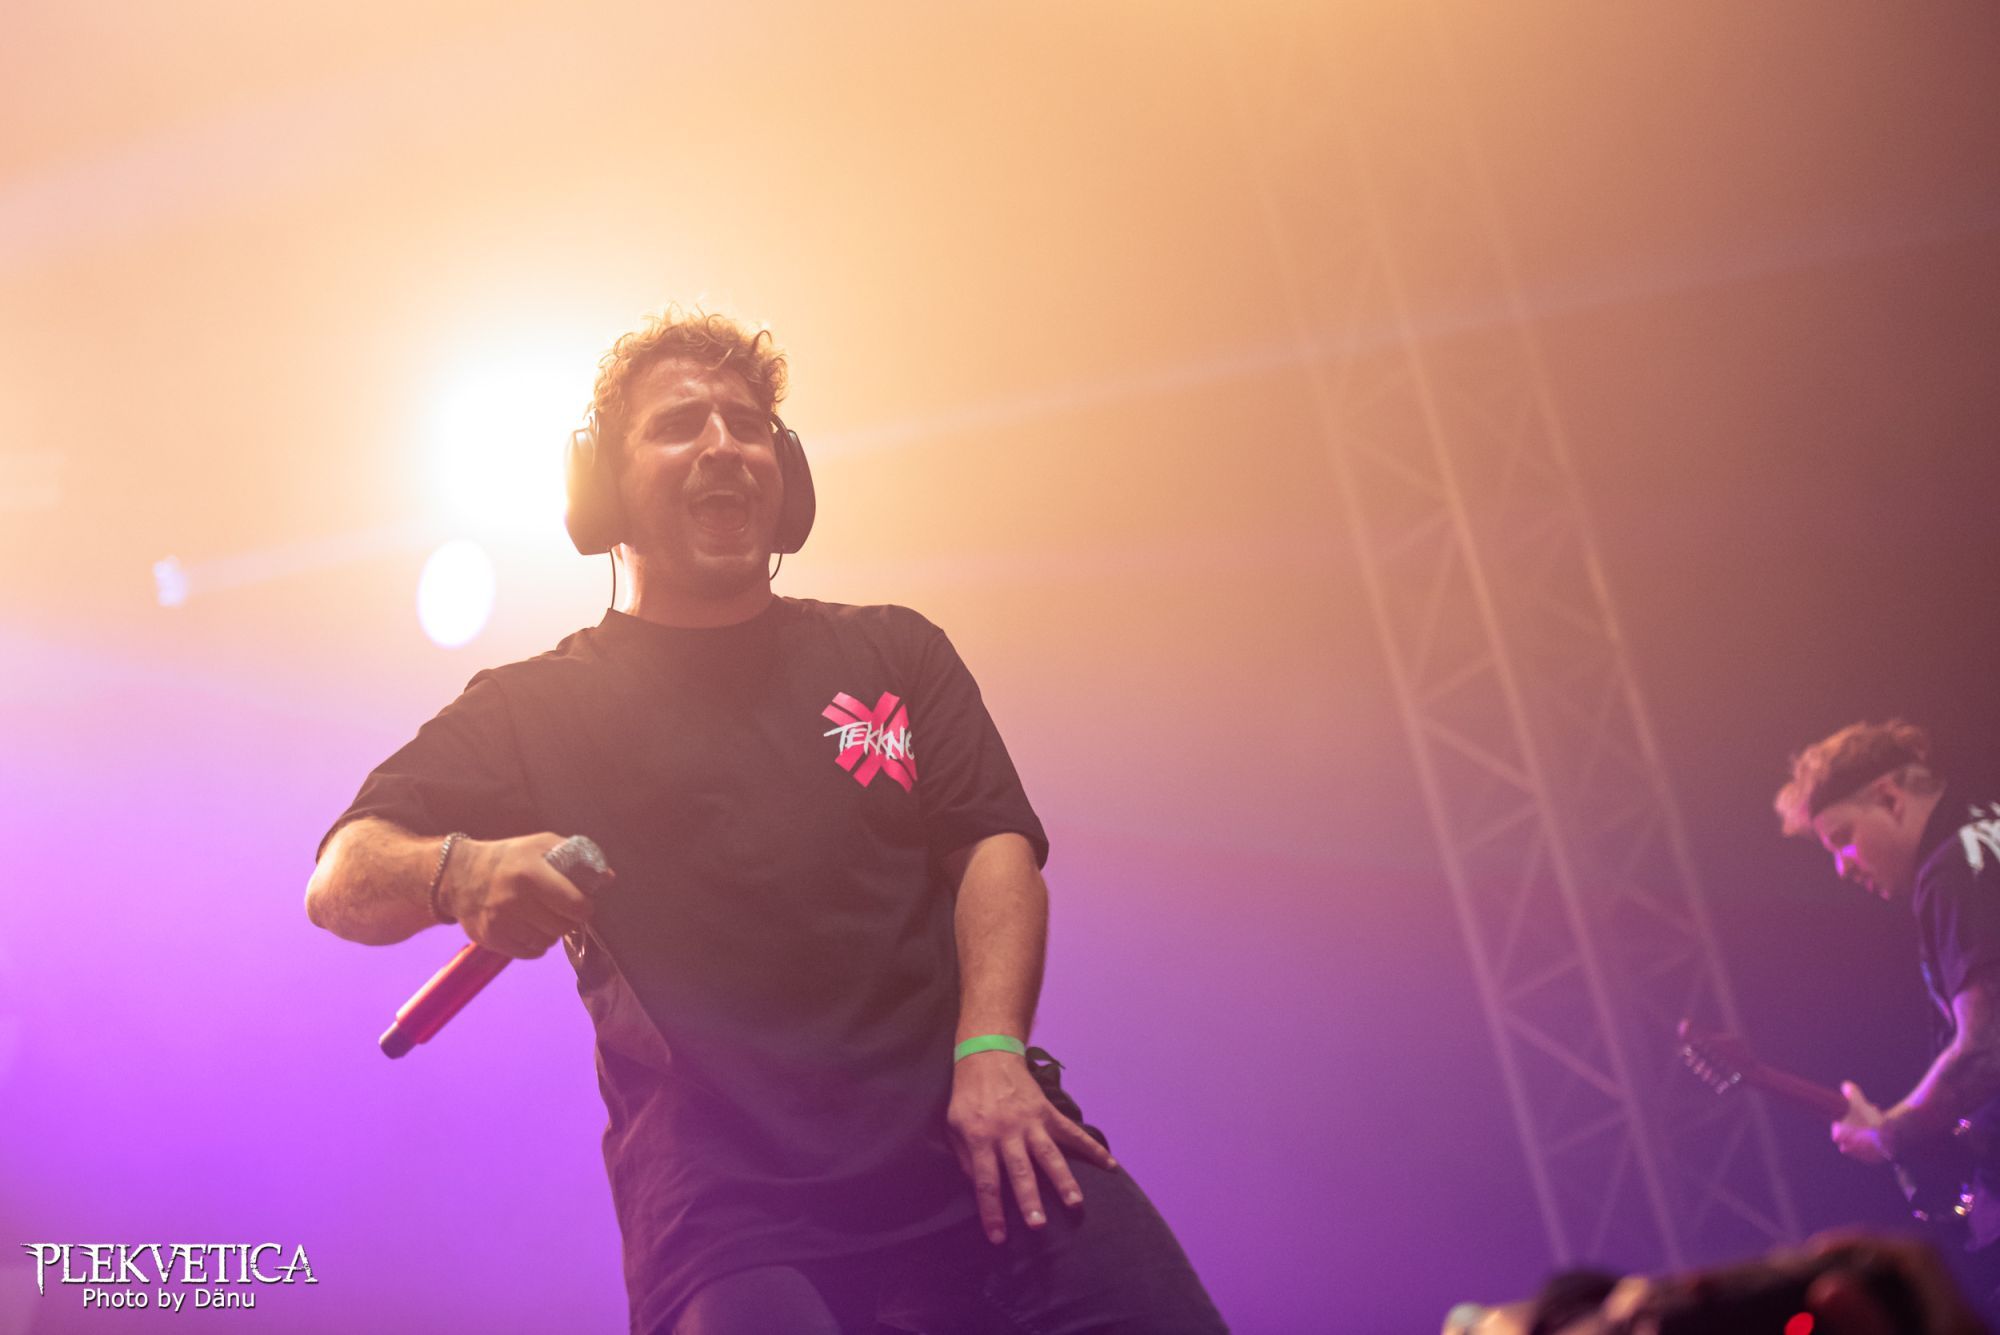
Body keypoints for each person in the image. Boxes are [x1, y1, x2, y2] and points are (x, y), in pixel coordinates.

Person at [305, 309, 1227, 1334]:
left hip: (977, 1135)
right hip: (736, 1220)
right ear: (603, 487)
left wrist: (991, 1051)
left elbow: (993, 846)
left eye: (746, 425)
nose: (722, 445)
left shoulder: (895, 652)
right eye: (678, 425)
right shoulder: (534, 708)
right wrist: (458, 872)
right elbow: (339, 878)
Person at [1775, 720, 2000, 1307]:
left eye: (1842, 837)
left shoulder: (1954, 869)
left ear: (1890, 798)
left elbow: (1988, 1048)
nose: (1842, 867)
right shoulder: (1989, 834)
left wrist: (1890, 1133)